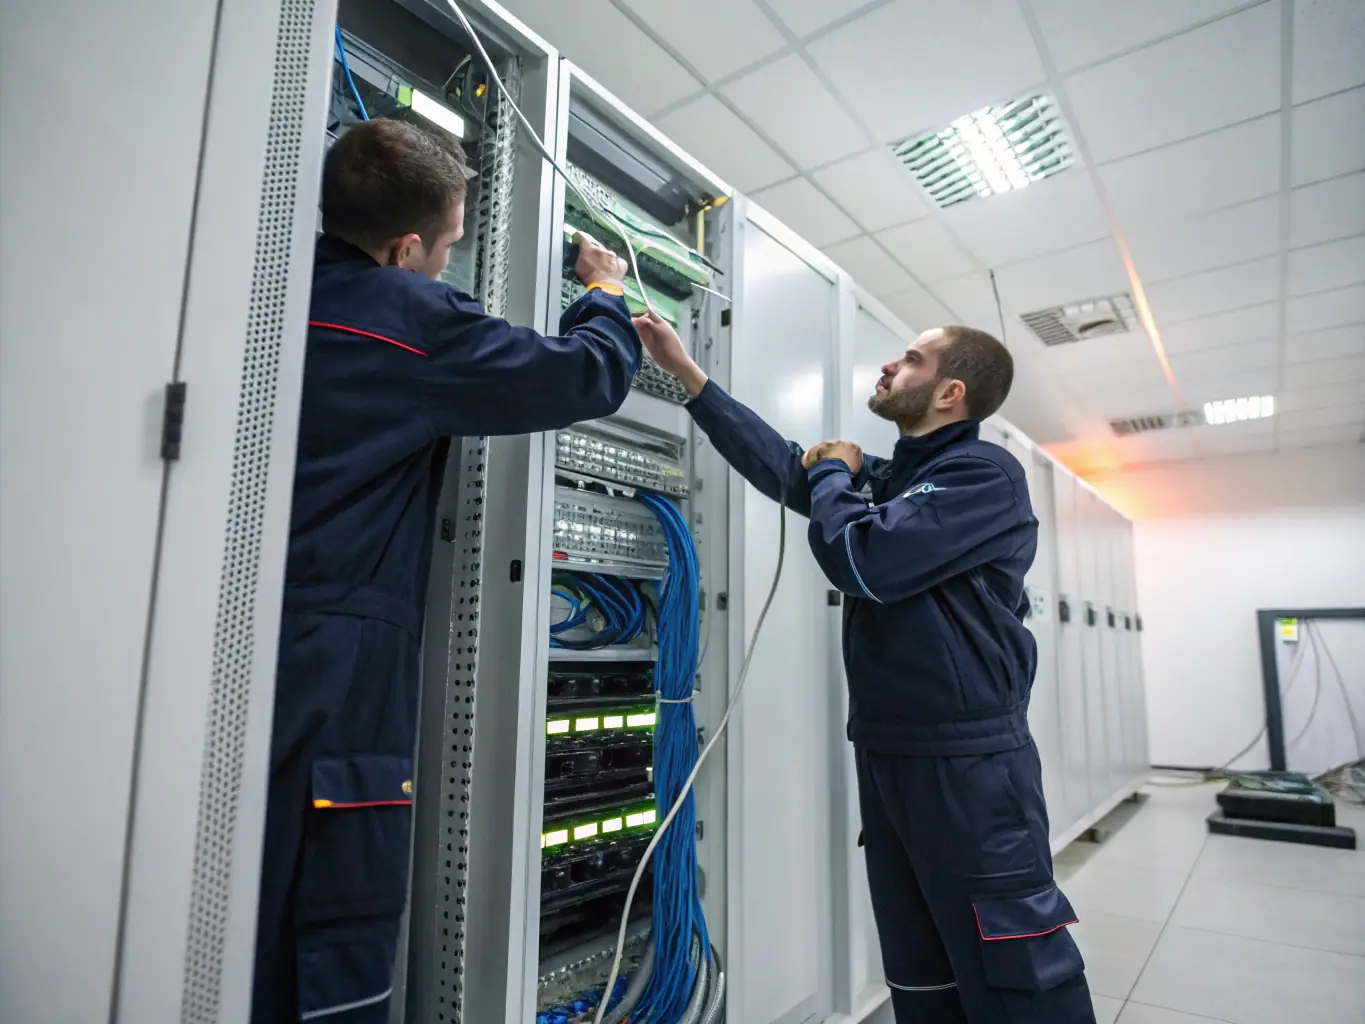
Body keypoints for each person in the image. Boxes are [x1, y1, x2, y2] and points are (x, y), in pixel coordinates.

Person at [252, 118, 642, 1024]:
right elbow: (588, 377)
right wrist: (604, 292)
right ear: (404, 248)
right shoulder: (410, 319)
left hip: (230, 624)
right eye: (448, 247)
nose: (445, 262)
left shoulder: (262, 282)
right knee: (330, 902)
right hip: (339, 653)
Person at [633, 313, 1095, 1024]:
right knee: (919, 969)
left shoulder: (980, 474)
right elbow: (790, 470)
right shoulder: (898, 481)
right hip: (889, 752)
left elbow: (864, 561)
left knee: (1013, 969)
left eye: (910, 361)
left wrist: (833, 477)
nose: (888, 368)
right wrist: (689, 378)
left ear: (950, 393)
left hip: (968, 764)